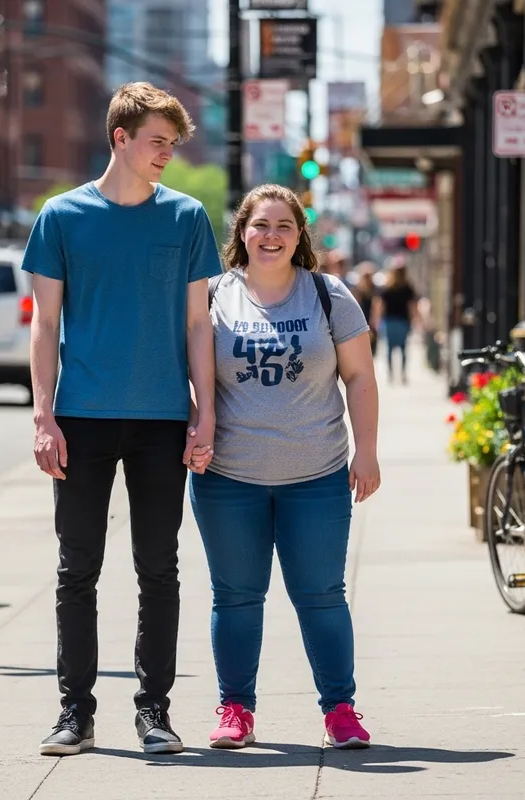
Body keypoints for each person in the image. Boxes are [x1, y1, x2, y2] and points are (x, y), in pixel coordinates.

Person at [22, 82, 222, 758]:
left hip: (163, 419)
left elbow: (199, 324)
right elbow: (45, 325)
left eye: (173, 142)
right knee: (76, 568)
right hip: (81, 416)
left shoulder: (187, 218)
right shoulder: (61, 216)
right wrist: (43, 416)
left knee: (157, 568)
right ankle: (74, 712)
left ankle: (154, 711)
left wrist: (207, 412)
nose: (168, 152)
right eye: (158, 141)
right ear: (121, 138)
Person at [188, 184, 381, 751]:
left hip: (316, 476)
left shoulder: (329, 295)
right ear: (241, 232)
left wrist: (365, 451)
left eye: (284, 226)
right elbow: (190, 377)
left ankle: (340, 710)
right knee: (236, 597)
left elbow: (361, 378)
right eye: (260, 225)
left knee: (322, 595)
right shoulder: (212, 296)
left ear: (300, 237)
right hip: (228, 479)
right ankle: (235, 710)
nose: (271, 236)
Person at [379, 261, 419, 384]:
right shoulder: (408, 288)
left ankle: (391, 374)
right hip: (403, 321)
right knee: (403, 348)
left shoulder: (387, 288)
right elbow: (412, 306)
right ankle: (402, 374)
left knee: (389, 349)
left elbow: (381, 306)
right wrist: (415, 319)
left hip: (389, 321)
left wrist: (377, 320)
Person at [351, 261, 379, 357]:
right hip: (364, 322)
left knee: (370, 350)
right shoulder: (358, 290)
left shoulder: (374, 289)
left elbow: (376, 306)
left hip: (368, 322)